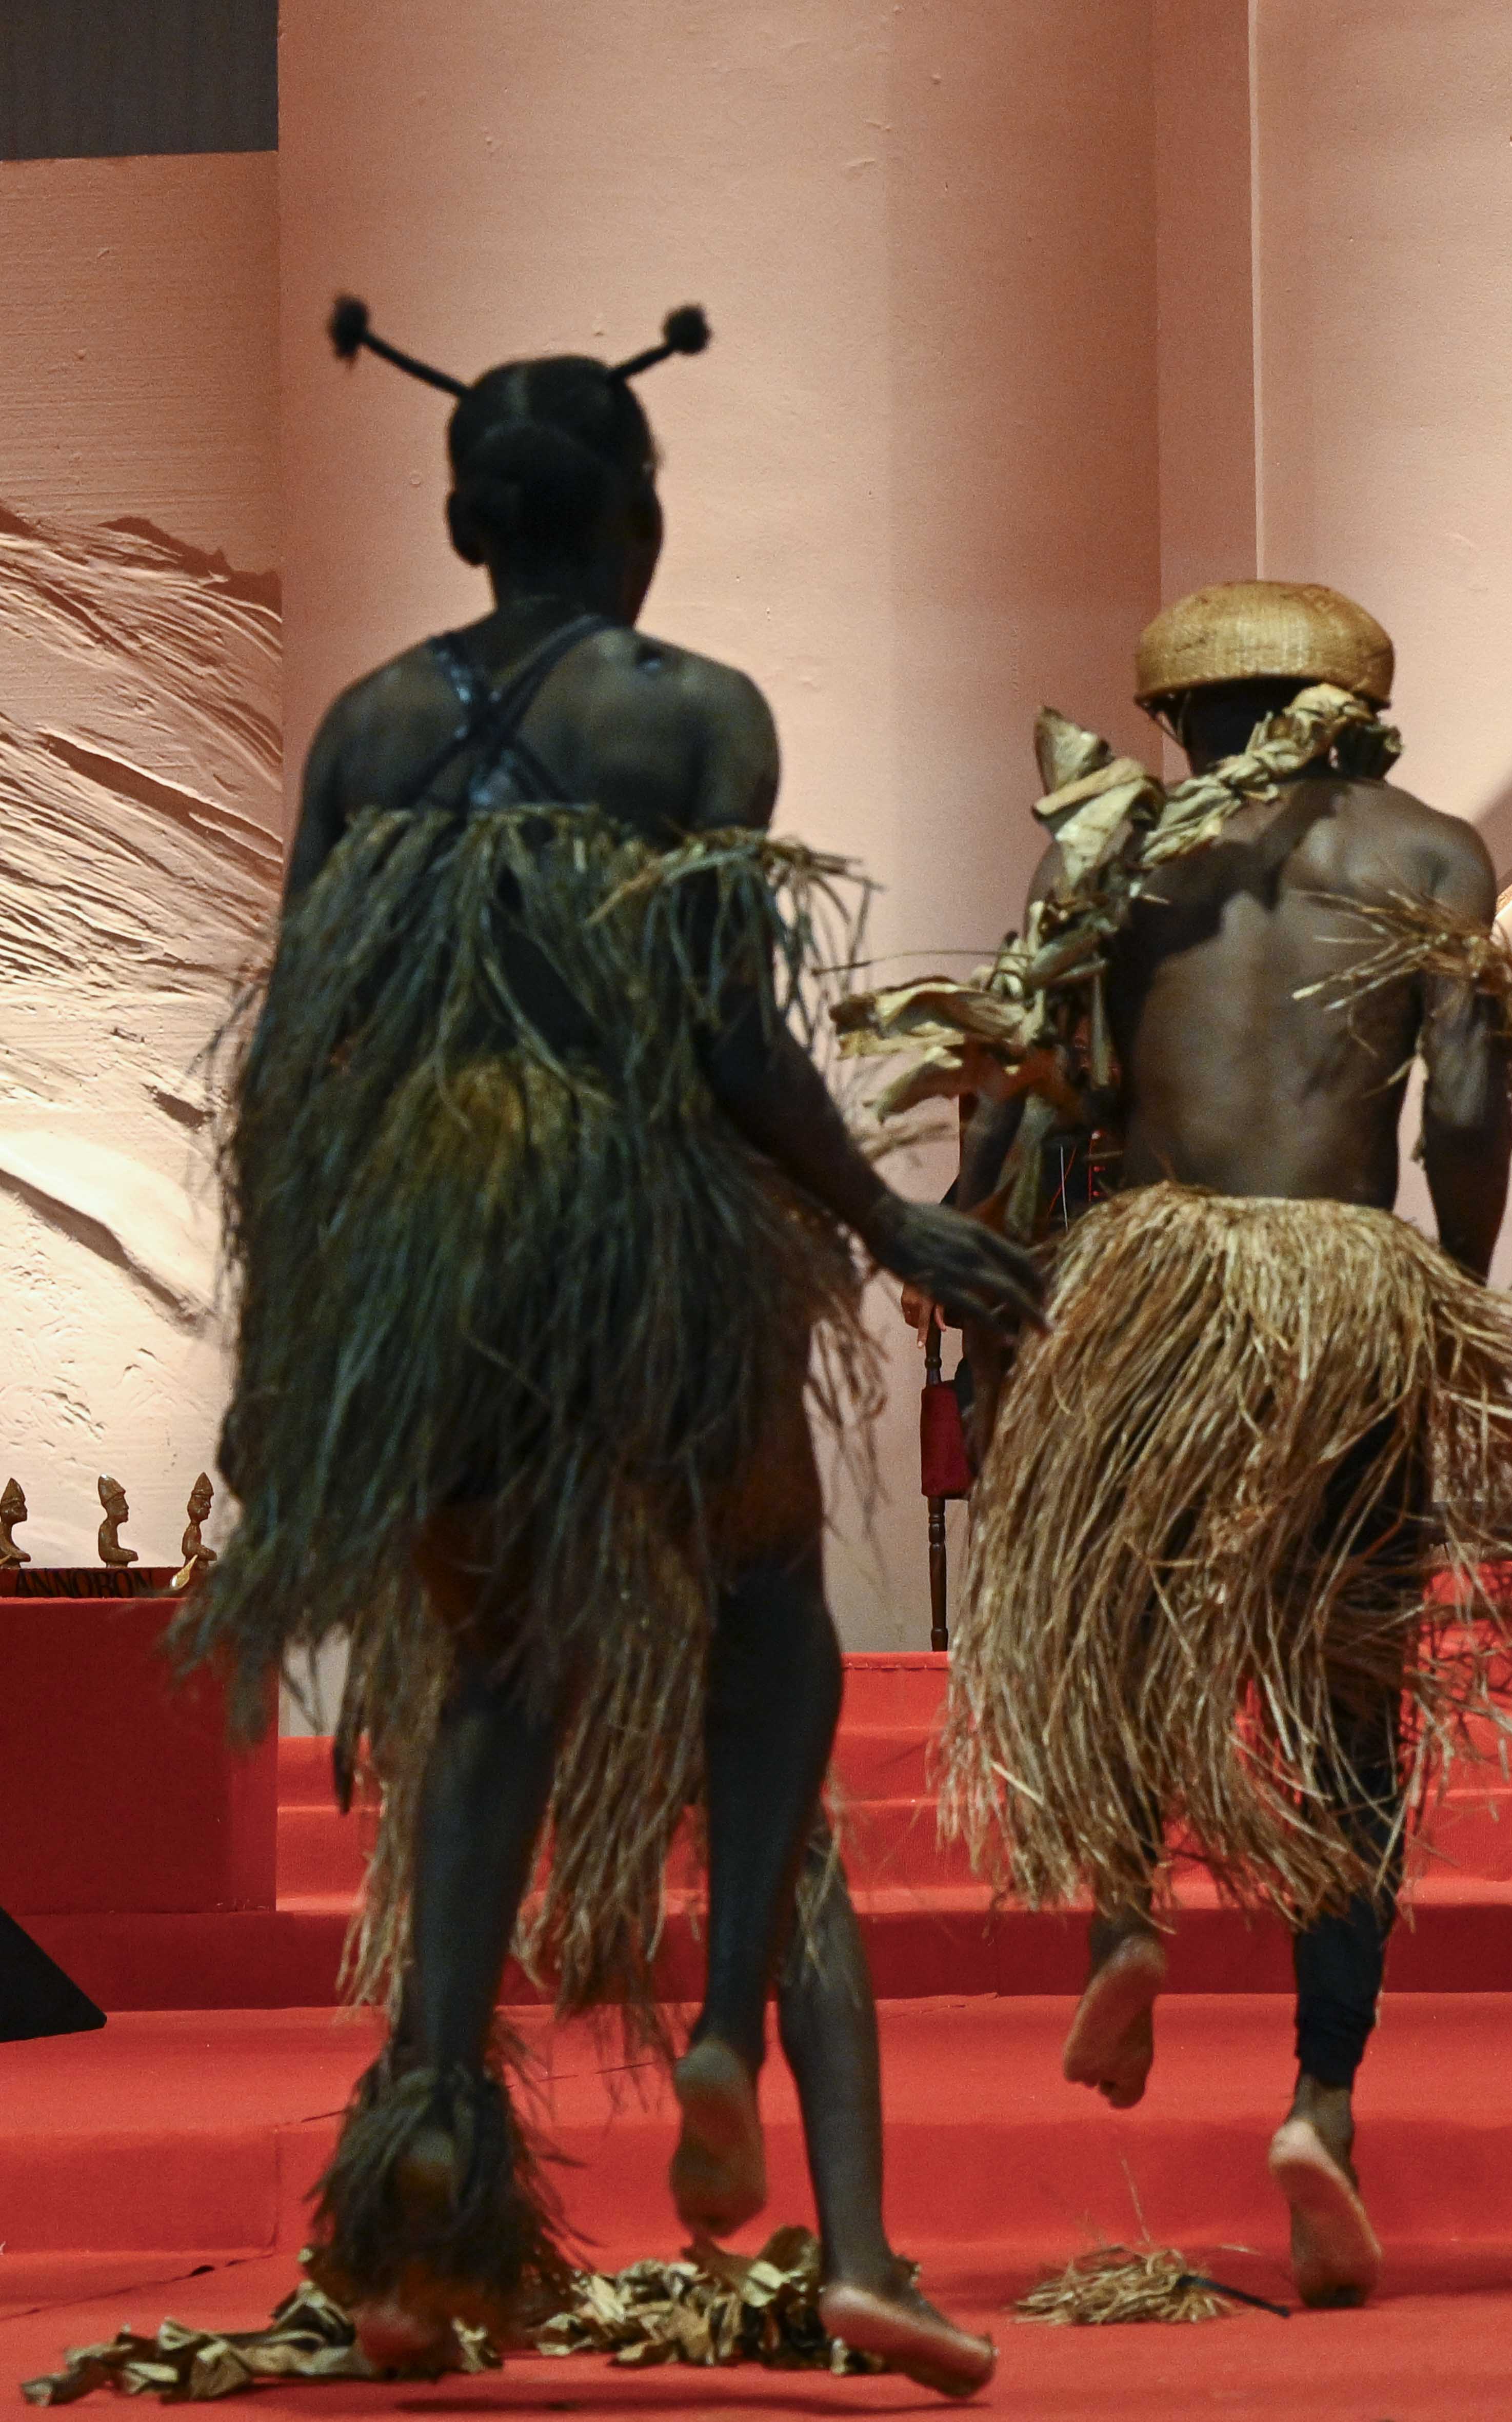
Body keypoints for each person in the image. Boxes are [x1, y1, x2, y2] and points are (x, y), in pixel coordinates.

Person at [182, 297, 1042, 2391]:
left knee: (490, 1699)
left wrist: (290, 1350)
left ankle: (405, 2237)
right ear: (633, 517)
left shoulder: (369, 727)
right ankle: (734, 2022)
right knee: (763, 1614)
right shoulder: (692, 714)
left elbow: (300, 1048)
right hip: (635, 1246)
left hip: (425, 1260)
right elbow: (734, 1033)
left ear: (471, 523)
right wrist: (881, 1209)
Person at [853, 581, 1512, 2310]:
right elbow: (1468, 1107)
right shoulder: (1426, 853)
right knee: (1349, 1702)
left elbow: (1049, 1098)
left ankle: (1124, 1918)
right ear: (1349, 700)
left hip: (1154, 1279)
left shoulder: (1104, 859)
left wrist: (980, 1250)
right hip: (1338, 1284)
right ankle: (1321, 2097)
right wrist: (1447, 1299)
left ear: (1184, 711)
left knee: (1113, 1634)